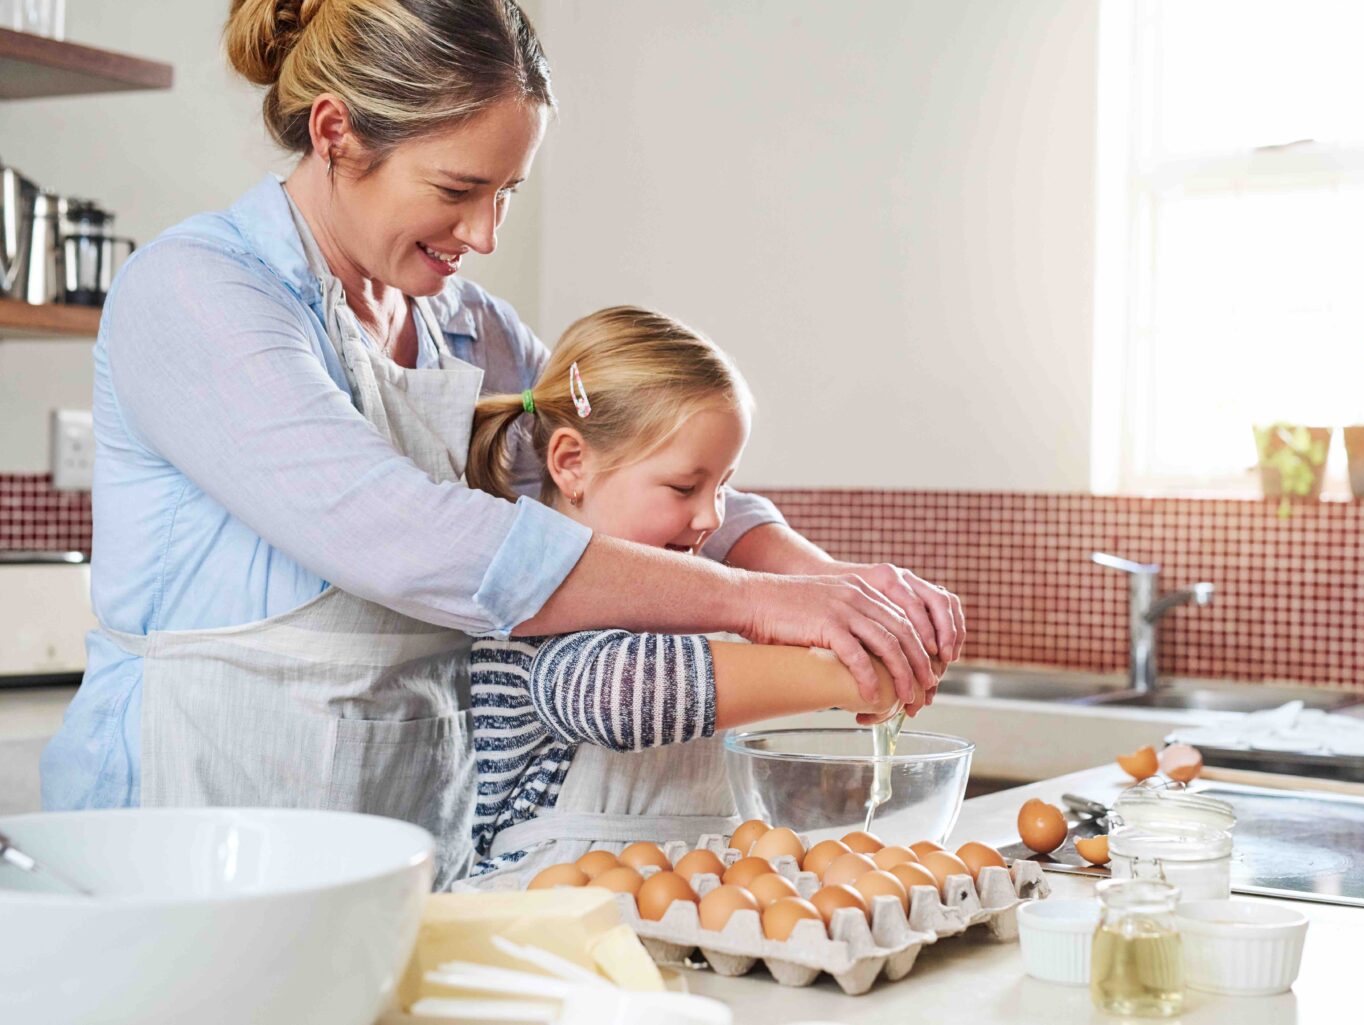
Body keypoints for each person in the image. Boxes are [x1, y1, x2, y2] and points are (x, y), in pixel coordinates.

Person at [40, 0, 962, 888]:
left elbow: (622, 453)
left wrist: (838, 590)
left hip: (401, 845)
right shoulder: (198, 292)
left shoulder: (466, 327)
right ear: (335, 134)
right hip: (186, 841)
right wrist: (766, 605)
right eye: (458, 189)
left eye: (507, 192)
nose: (483, 233)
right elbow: (409, 538)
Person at [461, 305, 917, 884]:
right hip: (539, 924)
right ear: (572, 464)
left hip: (670, 911)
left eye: (724, 485)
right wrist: (848, 674)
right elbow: (615, 692)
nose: (711, 517)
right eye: (684, 487)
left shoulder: (688, 596)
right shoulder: (533, 604)